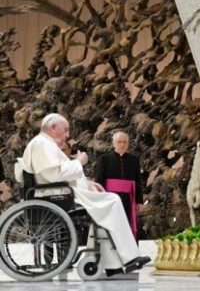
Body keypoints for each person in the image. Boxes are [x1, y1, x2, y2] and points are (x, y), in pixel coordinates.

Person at [20, 113, 150, 272]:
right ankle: (128, 258)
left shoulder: (45, 143)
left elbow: (60, 174)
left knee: (107, 207)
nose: (67, 134)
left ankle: (113, 264)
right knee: (112, 201)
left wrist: (88, 183)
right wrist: (79, 161)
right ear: (53, 127)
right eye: (65, 129)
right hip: (59, 194)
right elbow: (55, 175)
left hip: (63, 192)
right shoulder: (42, 143)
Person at [95, 131, 143, 239]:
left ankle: (129, 248)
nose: (122, 144)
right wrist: (100, 198)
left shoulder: (134, 160)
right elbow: (99, 180)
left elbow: (138, 182)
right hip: (110, 197)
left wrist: (139, 201)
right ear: (113, 143)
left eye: (125, 142)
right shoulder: (104, 159)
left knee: (128, 224)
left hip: (128, 199)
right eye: (119, 142)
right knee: (113, 224)